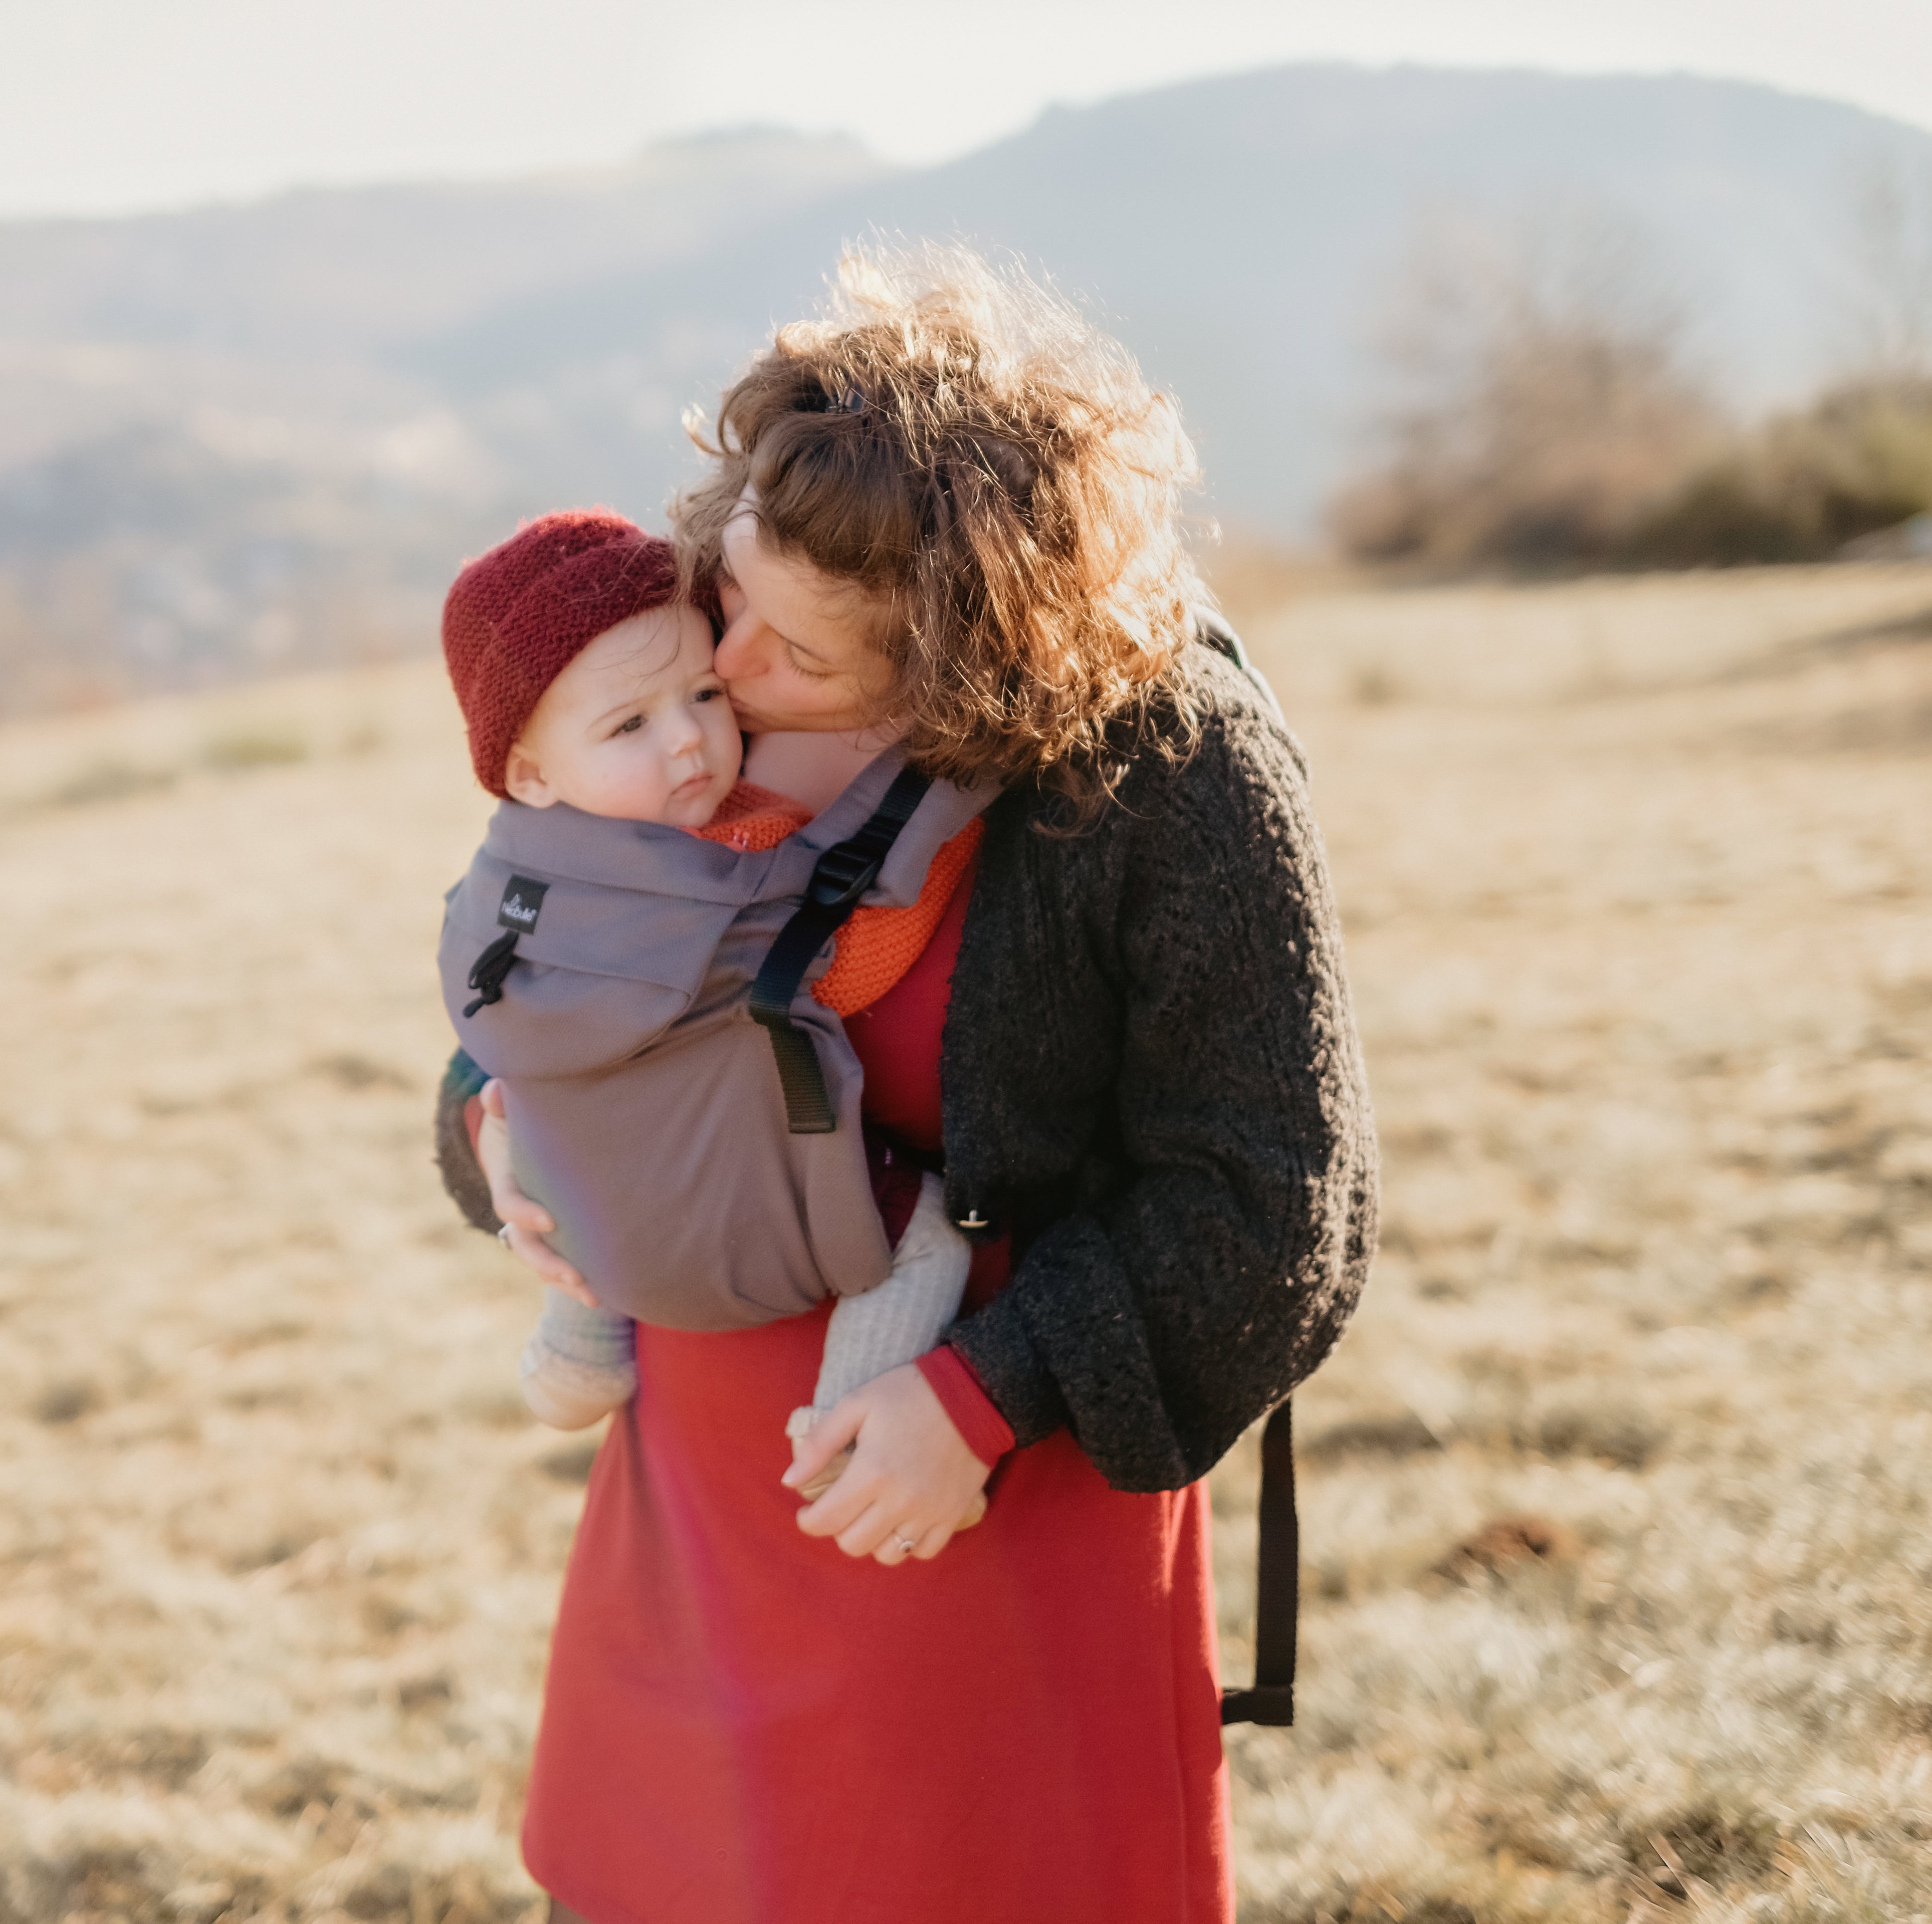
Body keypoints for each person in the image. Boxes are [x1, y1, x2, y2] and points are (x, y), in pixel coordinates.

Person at [428, 246, 1377, 1924]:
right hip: (698, 1508)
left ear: (968, 664)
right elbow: (552, 983)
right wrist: (498, 1147)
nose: (726, 671)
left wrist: (982, 1399)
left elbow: (1274, 1198)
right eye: (730, 590)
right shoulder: (685, 683)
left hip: (985, 1513)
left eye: (799, 652)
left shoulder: (1170, 769)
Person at [433, 509, 982, 1490]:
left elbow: (488, 1050)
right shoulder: (726, 867)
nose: (690, 740)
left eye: (700, 693)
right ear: (528, 769)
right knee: (930, 1234)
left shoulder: (502, 875)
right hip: (740, 1243)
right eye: (631, 724)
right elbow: (855, 953)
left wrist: (485, 1109)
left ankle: (575, 1347)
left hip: (595, 1221)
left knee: (570, 1152)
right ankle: (843, 1430)